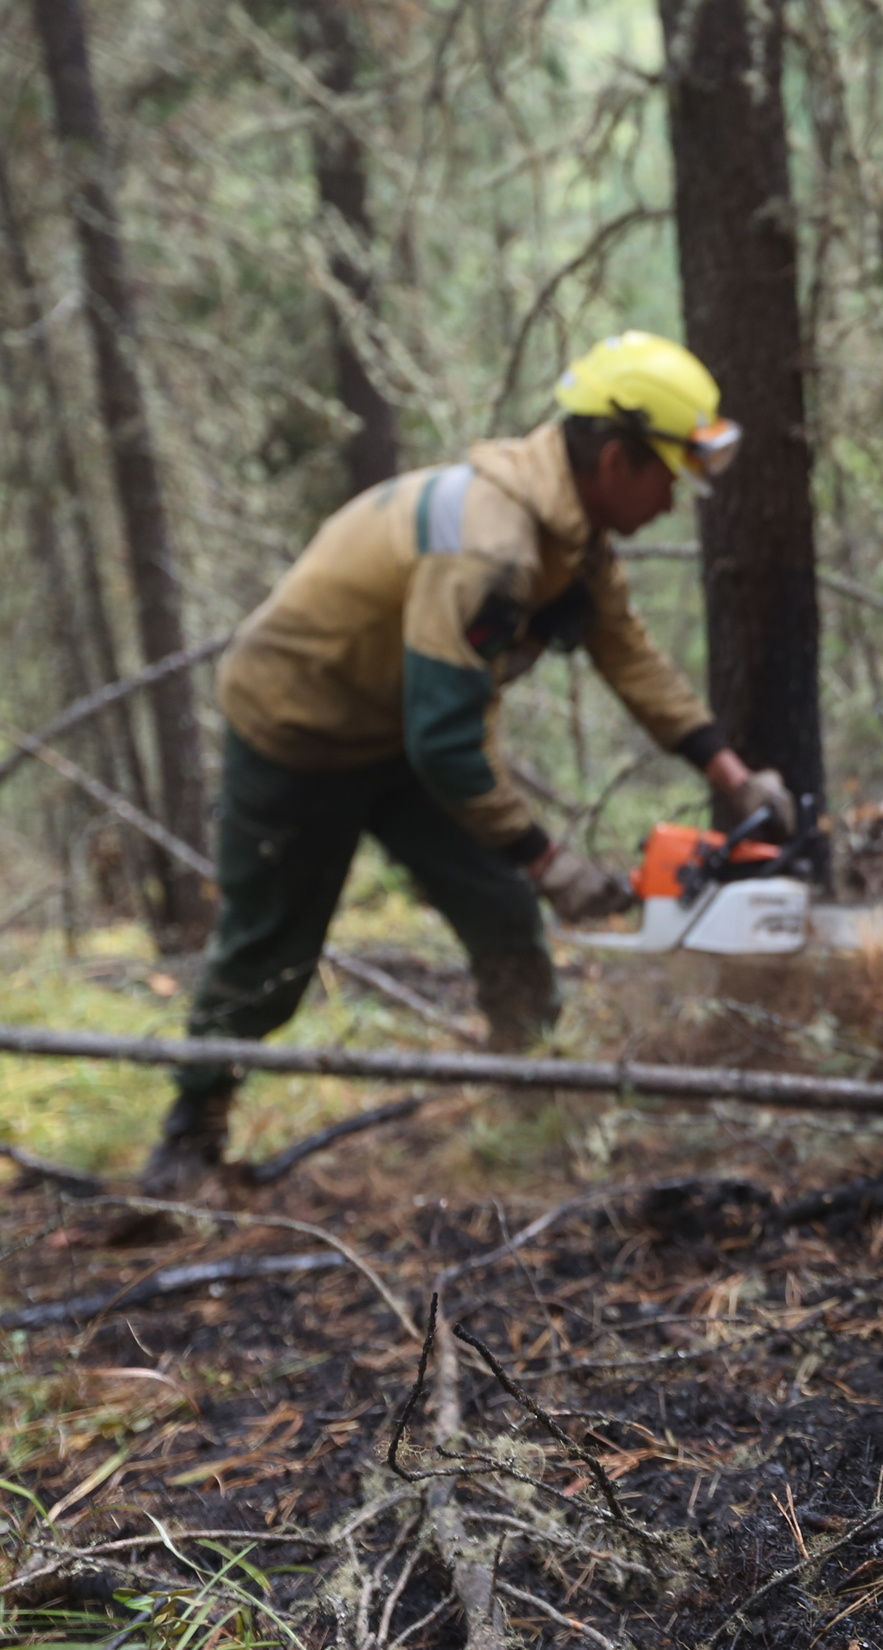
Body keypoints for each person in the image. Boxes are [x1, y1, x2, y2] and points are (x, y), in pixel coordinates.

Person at [140, 331, 793, 1191]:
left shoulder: (577, 538)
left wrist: (730, 774)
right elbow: (446, 746)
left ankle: (534, 1115)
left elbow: (631, 658)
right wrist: (552, 861)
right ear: (616, 457)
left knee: (502, 916)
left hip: (398, 733)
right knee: (268, 957)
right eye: (669, 472)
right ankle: (191, 1131)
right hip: (297, 734)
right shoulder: (494, 547)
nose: (675, 499)